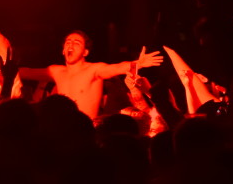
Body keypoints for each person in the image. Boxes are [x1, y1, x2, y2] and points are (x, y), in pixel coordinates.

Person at [16, 30, 162, 120]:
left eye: (77, 43)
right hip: (62, 131)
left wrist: (139, 63)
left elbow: (117, 68)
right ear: (63, 50)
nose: (71, 45)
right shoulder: (56, 71)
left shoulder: (93, 70)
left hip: (86, 131)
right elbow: (25, 72)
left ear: (85, 52)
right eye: (68, 42)